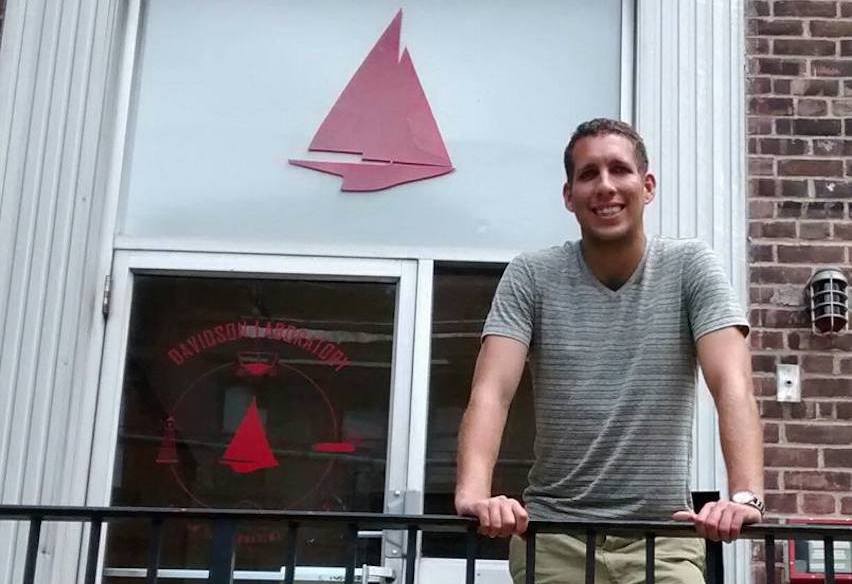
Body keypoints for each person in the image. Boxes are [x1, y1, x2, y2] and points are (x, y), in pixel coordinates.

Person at [454, 118, 763, 583]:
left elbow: (732, 385)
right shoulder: (531, 276)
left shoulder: (691, 268)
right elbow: (491, 393)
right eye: (588, 174)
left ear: (647, 186)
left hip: (664, 538)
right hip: (553, 538)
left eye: (619, 169)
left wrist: (745, 496)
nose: (605, 186)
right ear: (568, 195)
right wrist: (474, 494)